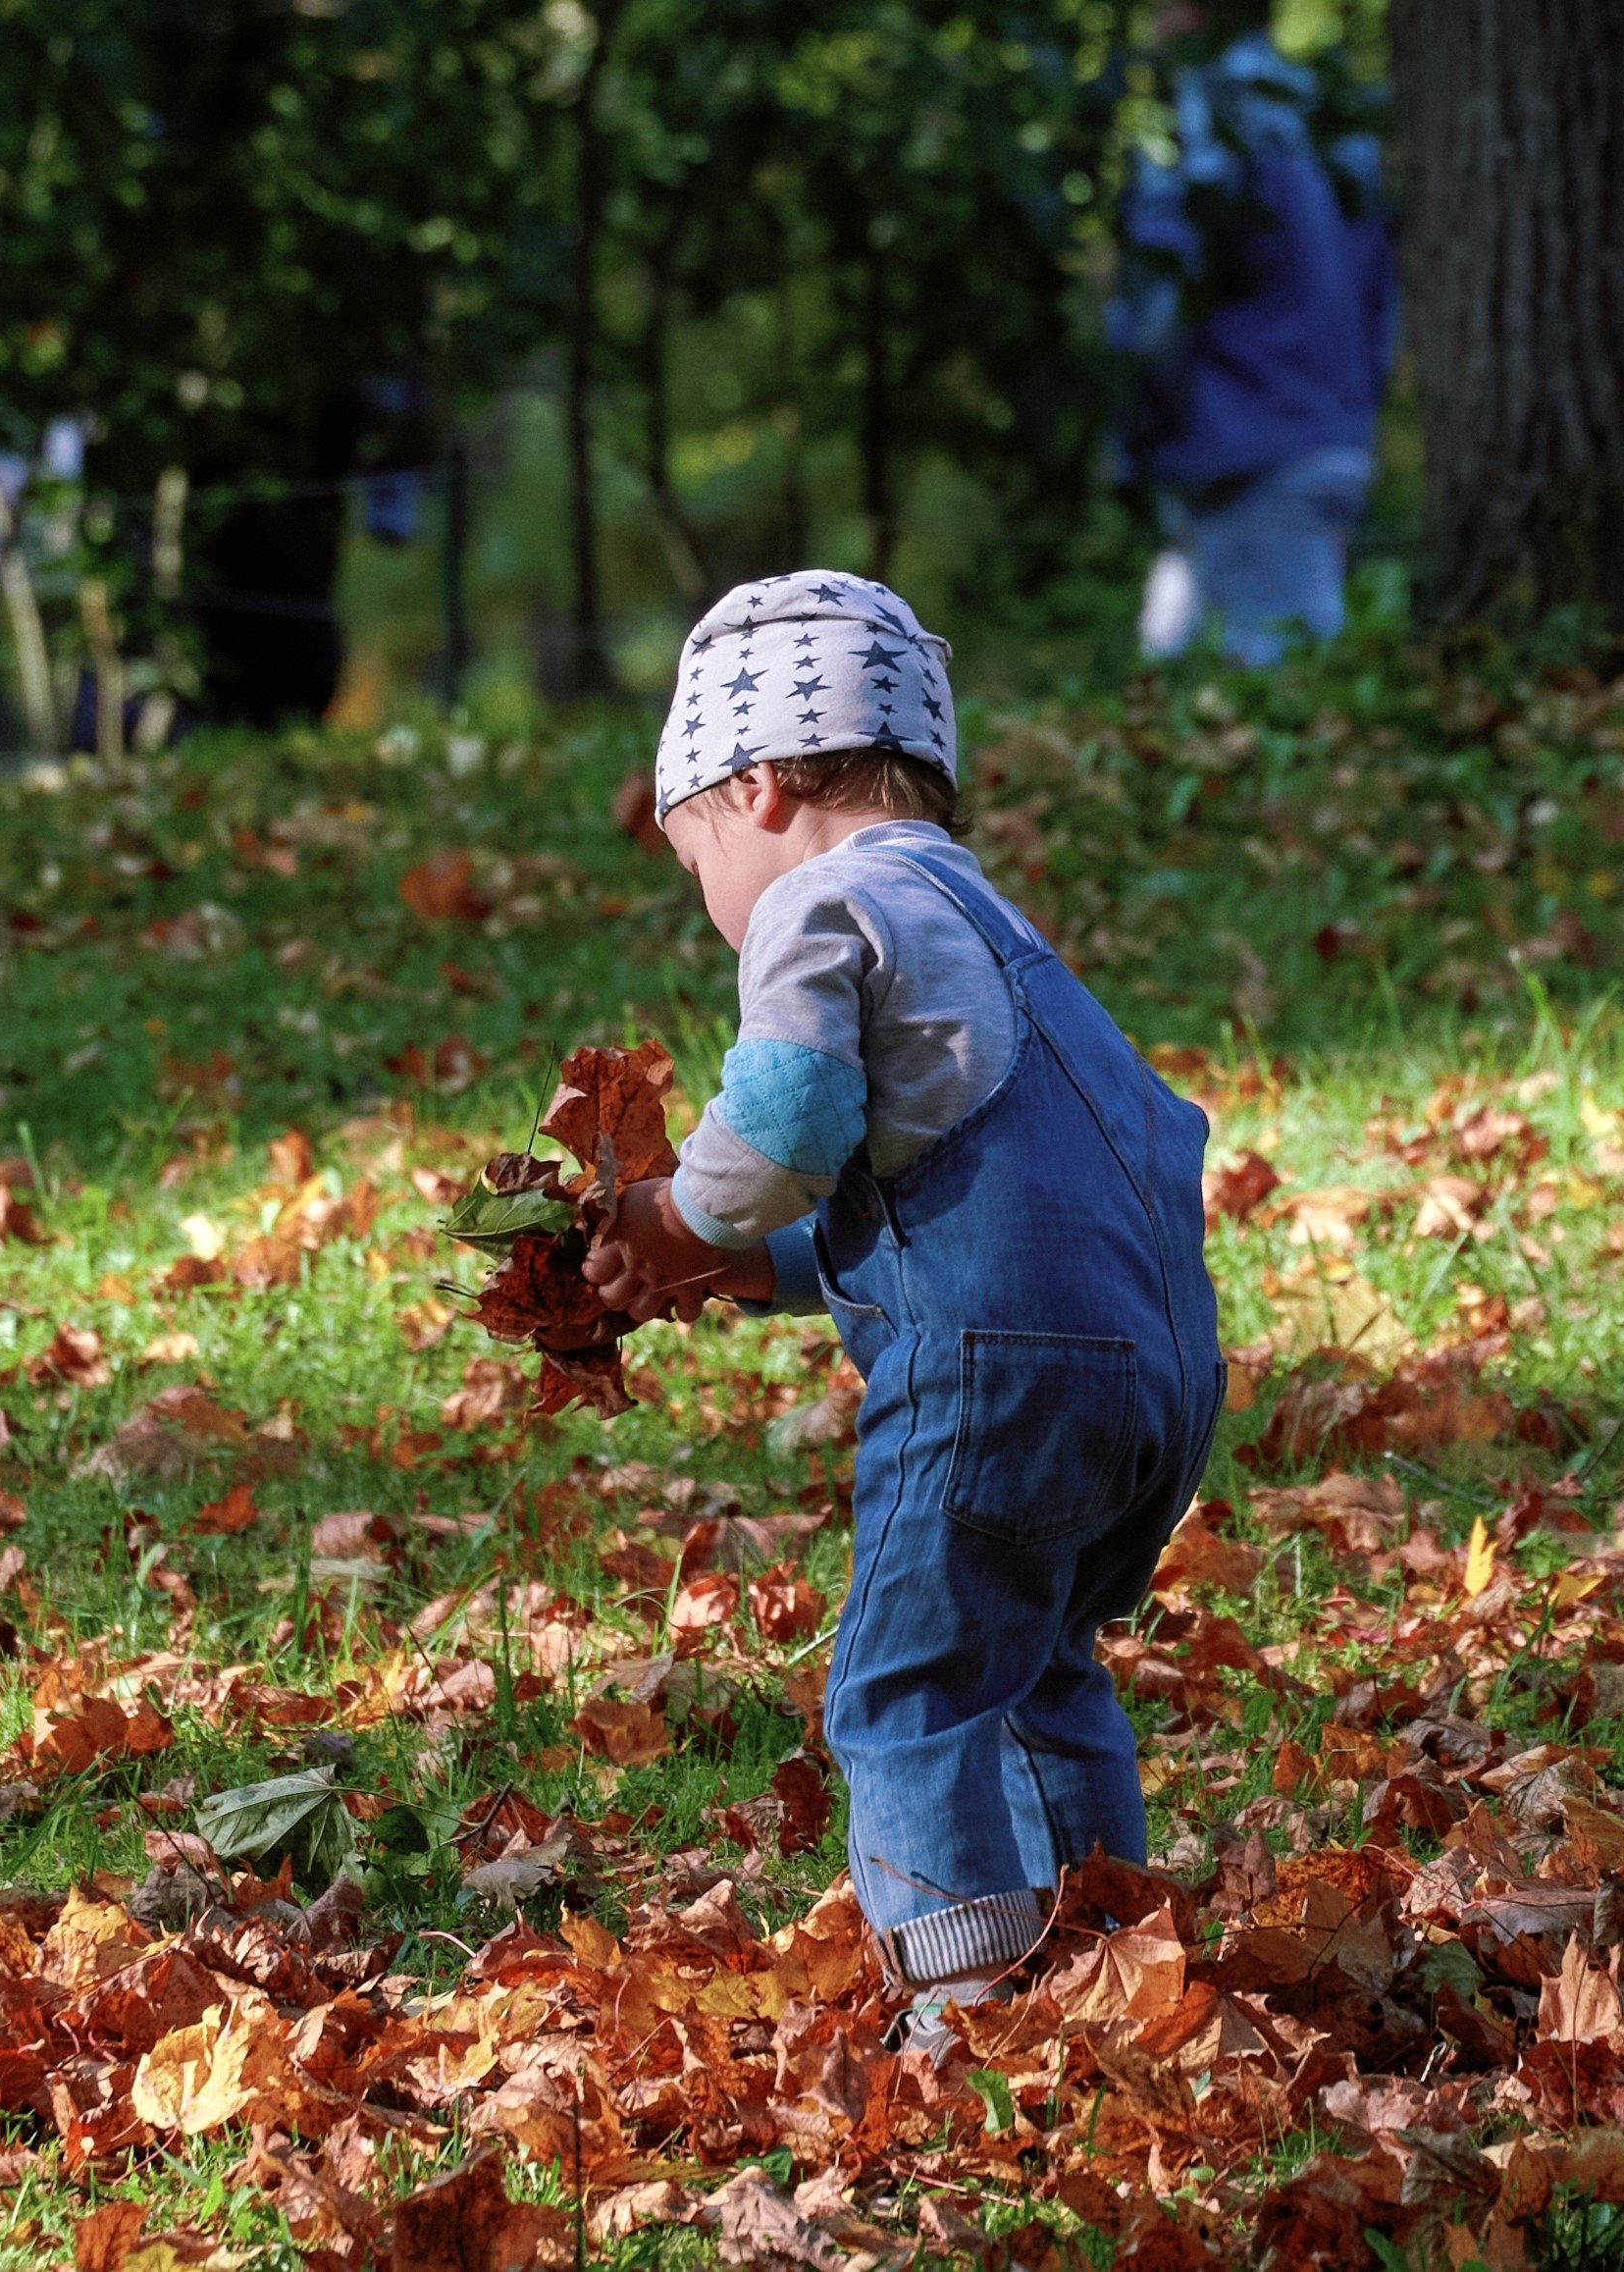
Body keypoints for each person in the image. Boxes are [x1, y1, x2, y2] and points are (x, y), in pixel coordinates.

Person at [585, 572, 1224, 2017]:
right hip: (1152, 1369)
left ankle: (966, 1998)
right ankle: (1102, 1952)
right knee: (1039, 1662)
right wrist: (758, 1262)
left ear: (754, 788)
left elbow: (791, 1110)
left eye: (693, 867)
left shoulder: (823, 898)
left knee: (905, 1691)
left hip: (995, 1377)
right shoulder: (987, 921)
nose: (713, 911)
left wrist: (681, 1218)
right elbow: (967, 1189)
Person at [1108, 22, 1394, 666]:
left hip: (1247, 448)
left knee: (1281, 690)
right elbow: (1380, 301)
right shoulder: (1329, 115)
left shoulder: (1201, 119)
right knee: (1167, 675)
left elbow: (1159, 298)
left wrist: (1136, 436)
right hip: (1323, 436)